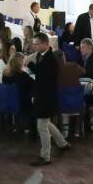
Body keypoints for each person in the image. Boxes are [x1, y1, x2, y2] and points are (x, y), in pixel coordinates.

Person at [27, 33, 70, 166]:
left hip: (47, 97)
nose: (35, 46)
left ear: (45, 44)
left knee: (42, 126)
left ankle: (45, 157)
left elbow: (44, 76)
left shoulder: (51, 59)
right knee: (46, 124)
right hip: (41, 96)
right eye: (34, 44)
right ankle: (62, 144)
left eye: (37, 44)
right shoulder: (41, 56)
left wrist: (29, 65)